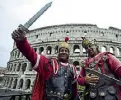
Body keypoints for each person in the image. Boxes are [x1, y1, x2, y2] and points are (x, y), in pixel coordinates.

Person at [11, 28, 79, 100]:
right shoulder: (50, 64)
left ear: (68, 54)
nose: (64, 52)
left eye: (66, 51)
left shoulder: (72, 68)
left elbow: (74, 91)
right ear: (58, 52)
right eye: (61, 50)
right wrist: (22, 43)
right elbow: (32, 56)